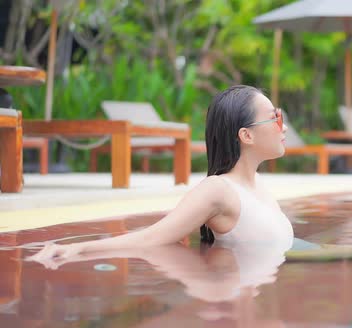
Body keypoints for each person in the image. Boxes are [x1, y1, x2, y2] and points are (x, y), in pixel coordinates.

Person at [29, 85, 294, 262]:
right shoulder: (219, 190)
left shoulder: (258, 185)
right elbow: (152, 237)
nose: (283, 127)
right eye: (276, 118)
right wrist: (78, 249)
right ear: (246, 135)